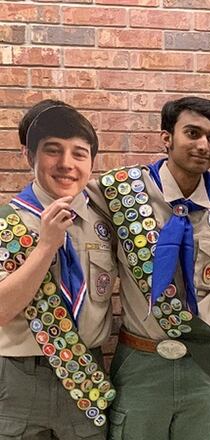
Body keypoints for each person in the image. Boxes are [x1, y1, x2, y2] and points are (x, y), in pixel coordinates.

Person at [88, 97, 210, 439]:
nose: (203, 145)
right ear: (166, 137)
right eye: (192, 133)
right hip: (142, 360)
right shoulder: (121, 195)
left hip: (202, 360)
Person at [0, 100, 117, 438]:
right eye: (53, 151)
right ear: (29, 156)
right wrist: (47, 244)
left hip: (86, 376)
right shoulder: (8, 221)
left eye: (79, 154)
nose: (66, 164)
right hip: (21, 378)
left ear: (92, 163)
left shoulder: (104, 219)